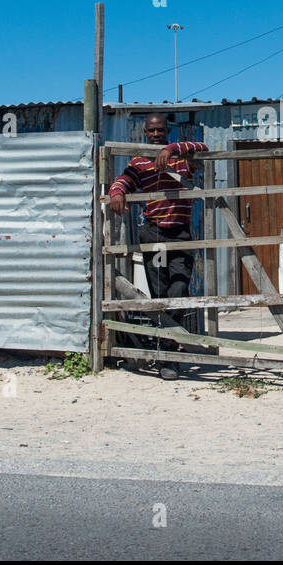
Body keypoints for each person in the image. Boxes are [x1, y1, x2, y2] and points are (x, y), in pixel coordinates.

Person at [107, 113, 207, 379]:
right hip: (154, 234)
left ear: (166, 131)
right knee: (160, 291)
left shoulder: (182, 155)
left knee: (179, 286)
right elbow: (124, 179)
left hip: (180, 233)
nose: (155, 134)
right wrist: (116, 192)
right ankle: (169, 356)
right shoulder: (139, 161)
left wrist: (172, 149)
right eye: (151, 131)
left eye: (159, 130)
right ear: (145, 132)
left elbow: (204, 149)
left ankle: (168, 343)